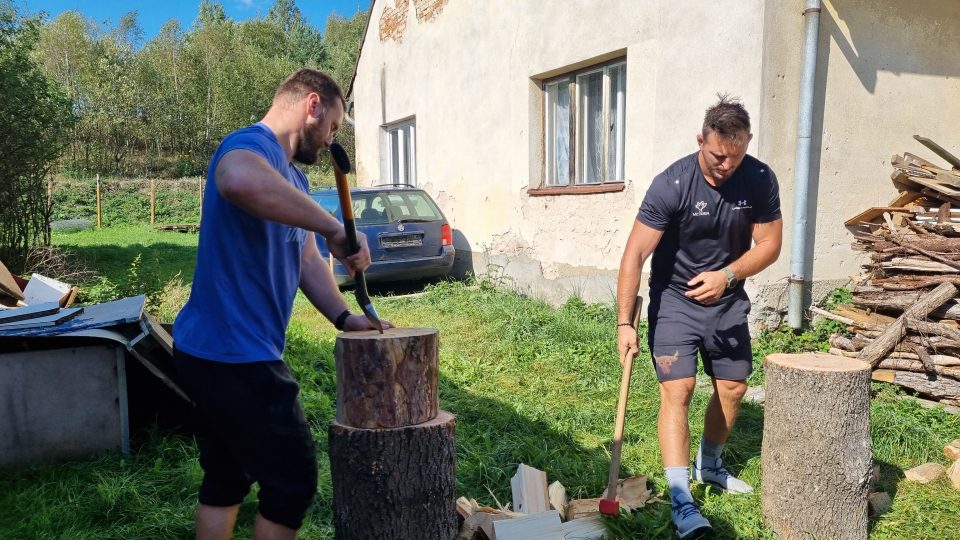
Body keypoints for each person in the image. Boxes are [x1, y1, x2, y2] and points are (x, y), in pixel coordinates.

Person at [172, 68, 391, 540]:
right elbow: (236, 180)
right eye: (332, 125)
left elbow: (306, 257)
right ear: (312, 105)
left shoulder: (294, 180)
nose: (332, 140)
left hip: (210, 350)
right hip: (233, 355)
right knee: (292, 479)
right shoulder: (252, 146)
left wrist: (344, 315)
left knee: (226, 477)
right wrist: (335, 227)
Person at [616, 95, 782, 538]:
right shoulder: (672, 184)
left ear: (747, 143)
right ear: (700, 142)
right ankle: (680, 499)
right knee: (680, 389)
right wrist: (625, 323)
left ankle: (710, 464)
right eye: (716, 155)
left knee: (732, 387)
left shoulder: (760, 179)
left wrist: (728, 275)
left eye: (736, 154)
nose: (726, 164)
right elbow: (634, 254)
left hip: (726, 300)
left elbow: (769, 244)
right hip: (675, 300)